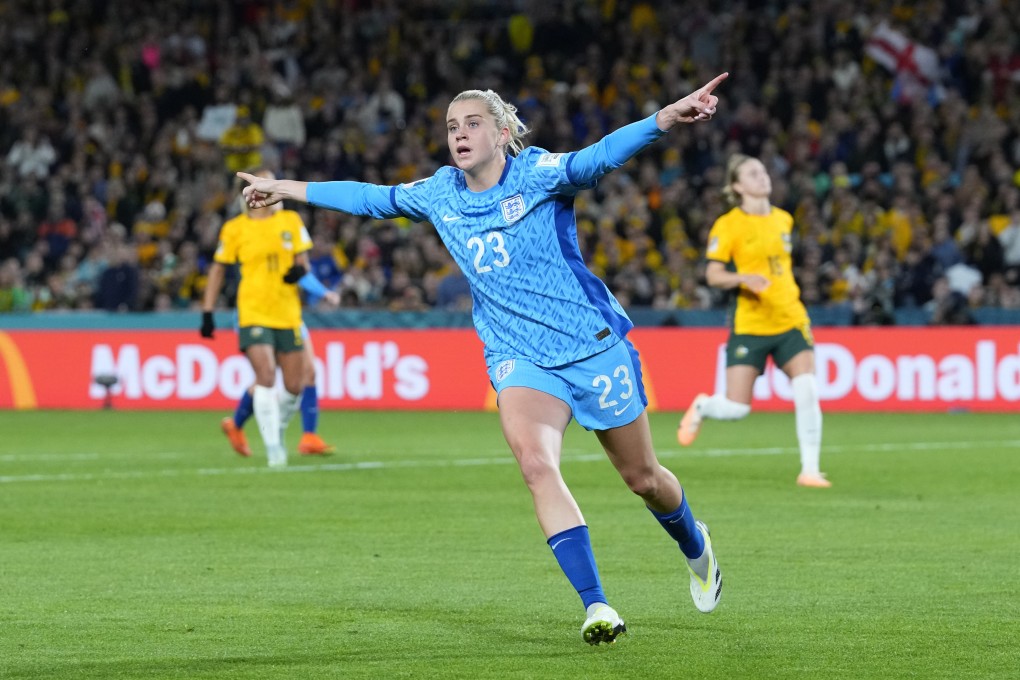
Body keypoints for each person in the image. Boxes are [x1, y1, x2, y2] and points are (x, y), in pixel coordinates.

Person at [236, 72, 728, 645]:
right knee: (537, 465)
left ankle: (696, 544)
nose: (459, 135)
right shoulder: (440, 193)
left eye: (472, 124)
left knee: (643, 478)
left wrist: (663, 118)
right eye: (451, 127)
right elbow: (370, 198)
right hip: (519, 358)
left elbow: (597, 158)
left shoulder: (539, 173)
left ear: (501, 131)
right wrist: (289, 190)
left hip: (591, 345)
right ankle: (597, 605)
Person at [677, 154, 830, 489]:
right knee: (736, 408)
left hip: (790, 316)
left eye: (763, 170)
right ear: (736, 186)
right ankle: (702, 405)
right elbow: (713, 275)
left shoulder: (784, 219)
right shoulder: (728, 225)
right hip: (750, 323)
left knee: (806, 386)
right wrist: (744, 279)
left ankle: (810, 470)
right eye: (753, 173)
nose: (763, 176)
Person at [201, 168, 313, 468]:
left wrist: (299, 272)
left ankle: (275, 428)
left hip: (288, 312)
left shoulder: (291, 221)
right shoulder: (235, 229)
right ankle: (274, 448)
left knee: (293, 386)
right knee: (264, 377)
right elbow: (218, 270)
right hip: (252, 311)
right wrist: (208, 311)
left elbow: (304, 264)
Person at [220, 270, 340, 458]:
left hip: (287, 312)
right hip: (256, 312)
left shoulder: (291, 242)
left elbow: (299, 269)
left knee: (309, 372)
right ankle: (237, 425)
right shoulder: (256, 245)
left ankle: (309, 436)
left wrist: (322, 292)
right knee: (267, 377)